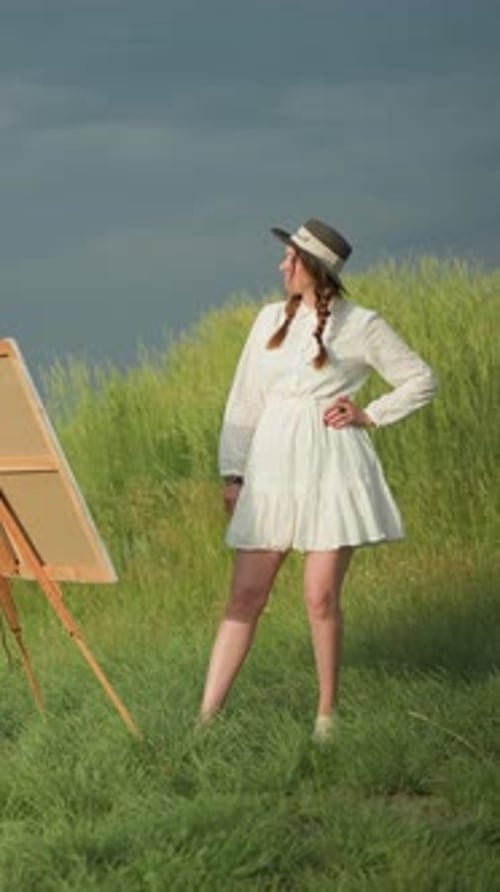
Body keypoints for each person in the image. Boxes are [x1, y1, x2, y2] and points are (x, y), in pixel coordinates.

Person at [199, 217, 437, 741]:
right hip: (272, 466)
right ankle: (206, 720)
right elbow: (245, 400)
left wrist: (369, 413)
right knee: (246, 595)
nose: (282, 265)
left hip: (331, 465)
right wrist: (233, 474)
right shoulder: (267, 321)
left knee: (319, 596)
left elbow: (421, 378)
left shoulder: (361, 325)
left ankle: (327, 716)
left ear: (316, 269)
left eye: (291, 259)